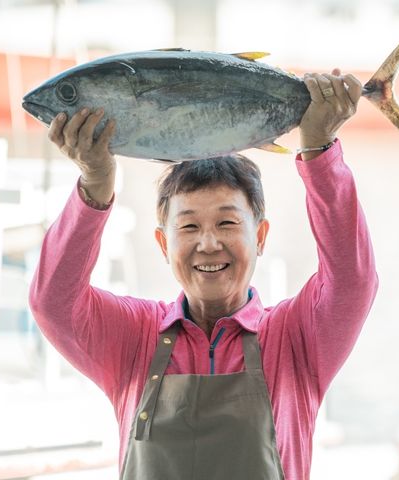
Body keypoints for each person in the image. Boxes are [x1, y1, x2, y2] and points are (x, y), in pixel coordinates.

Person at [29, 68, 378, 480]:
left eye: (228, 224)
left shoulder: (296, 337)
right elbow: (53, 303)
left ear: (261, 235)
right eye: (189, 227)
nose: (208, 244)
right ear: (163, 244)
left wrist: (320, 151)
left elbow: (352, 281)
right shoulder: (134, 338)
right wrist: (96, 183)